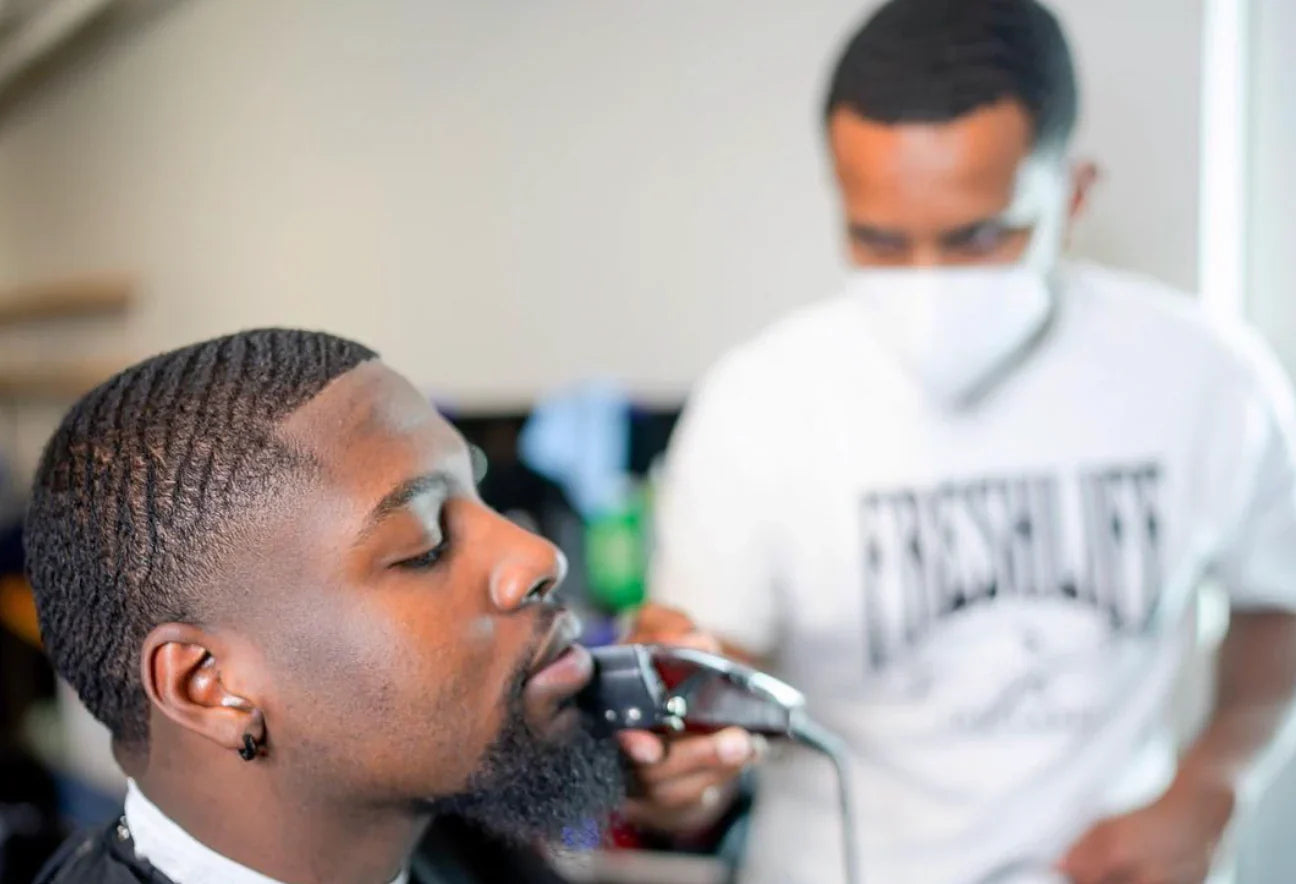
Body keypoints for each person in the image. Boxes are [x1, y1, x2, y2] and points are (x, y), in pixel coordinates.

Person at [637, 1, 1296, 882]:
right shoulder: (755, 406)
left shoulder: (1211, 379)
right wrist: (680, 770)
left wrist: (1215, 781)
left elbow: (1277, 601)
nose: (927, 286)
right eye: (877, 239)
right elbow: (710, 720)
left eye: (979, 236)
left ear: (1073, 192)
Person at [26, 328, 628, 884]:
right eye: (426, 546)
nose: (539, 556)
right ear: (211, 685)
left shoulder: (466, 834)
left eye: (478, 495)